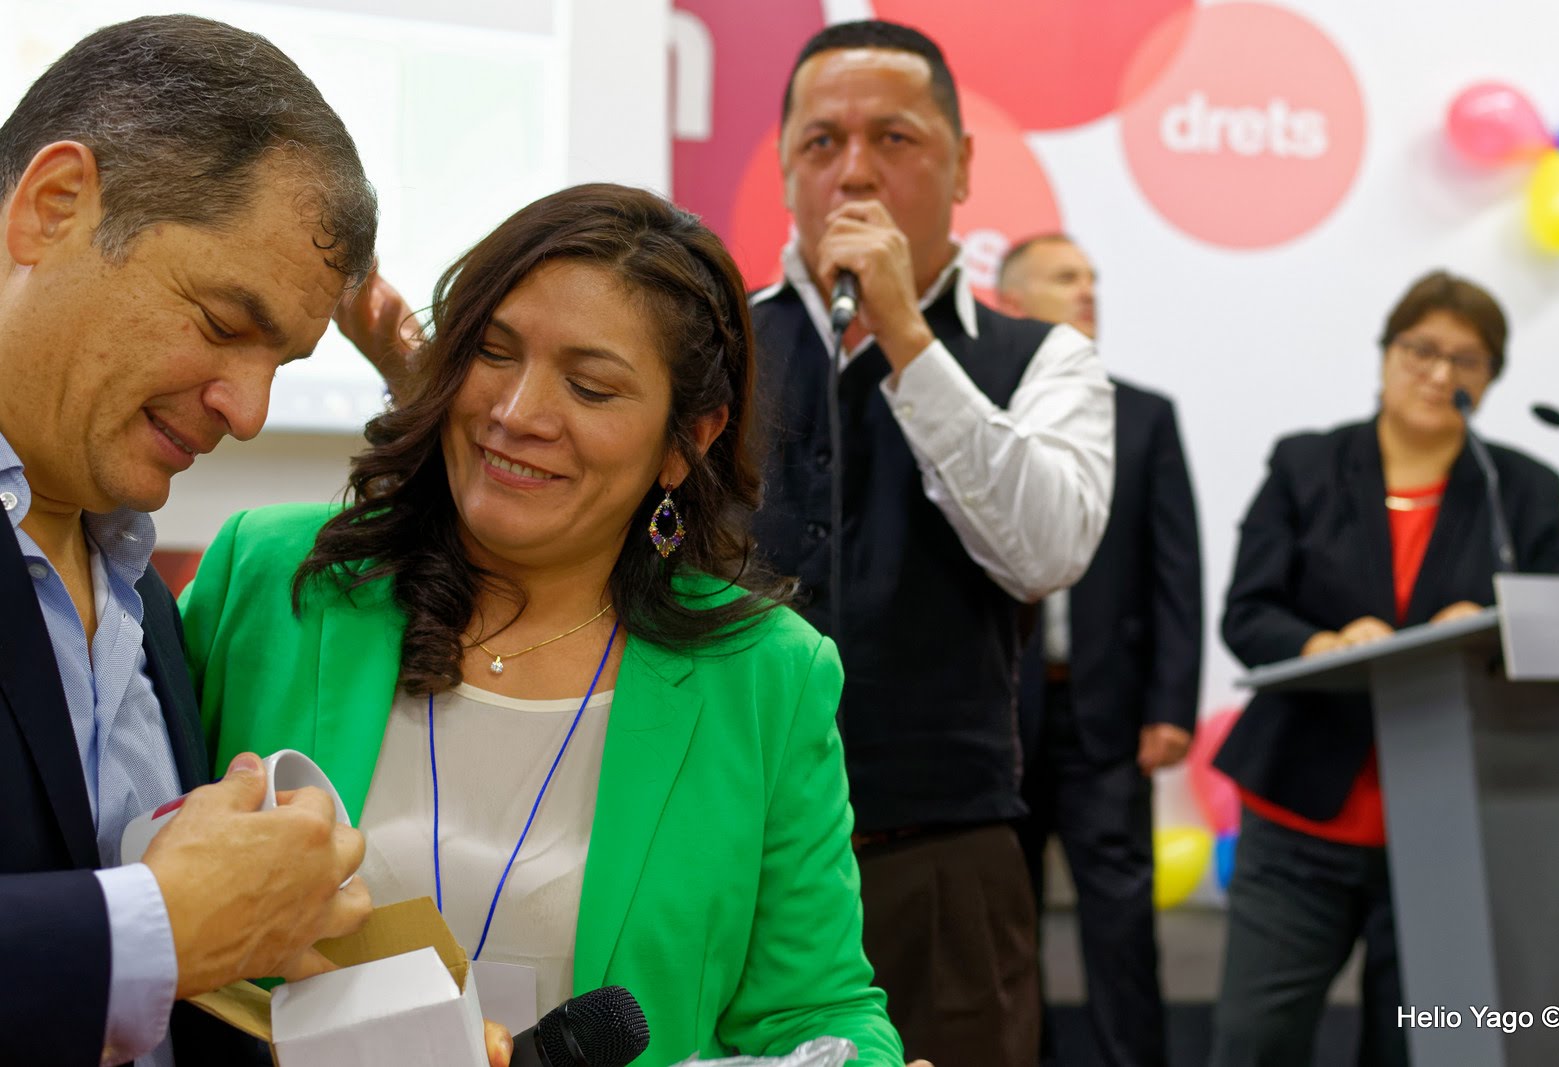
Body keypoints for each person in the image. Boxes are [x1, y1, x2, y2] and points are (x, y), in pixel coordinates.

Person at [179, 183, 920, 1067]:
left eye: (590, 387)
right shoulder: (271, 579)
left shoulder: (767, 674)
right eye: (492, 353)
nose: (517, 413)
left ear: (688, 440)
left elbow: (820, 1011)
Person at [0, 16, 380, 1067]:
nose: (248, 410)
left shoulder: (145, 598)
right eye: (221, 322)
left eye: (282, 364)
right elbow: (153, 937)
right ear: (53, 207)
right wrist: (155, 924)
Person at [747, 21, 1114, 1066]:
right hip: (731, 843)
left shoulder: (1044, 358)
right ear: (787, 169)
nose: (856, 171)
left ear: (962, 166)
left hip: (943, 859)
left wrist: (907, 336)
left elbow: (1045, 551)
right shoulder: (712, 342)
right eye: (823, 142)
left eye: (895, 138)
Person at [1209, 270, 1559, 1067]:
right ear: (1386, 353)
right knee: (1255, 1039)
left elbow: (1556, 629)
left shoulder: (1521, 491)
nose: (1440, 374)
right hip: (1303, 813)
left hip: (1450, 828)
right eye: (1421, 350)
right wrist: (1322, 643)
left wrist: (1488, 630)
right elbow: (1248, 613)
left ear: (1491, 377)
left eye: (1466, 359)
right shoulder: (1308, 464)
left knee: (1423, 1045)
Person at [995, 234, 1202, 1067]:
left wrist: (1171, 705)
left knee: (1121, 931)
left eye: (1092, 277)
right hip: (996, 719)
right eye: (1065, 277)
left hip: (1109, 716)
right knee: (1005, 931)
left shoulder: (1143, 415)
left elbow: (1176, 571)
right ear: (1012, 303)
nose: (1087, 290)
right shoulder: (971, 416)